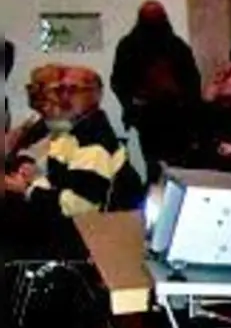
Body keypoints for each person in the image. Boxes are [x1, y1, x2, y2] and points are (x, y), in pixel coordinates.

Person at [3, 67, 135, 218]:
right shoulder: (71, 129)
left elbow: (79, 207)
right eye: (61, 90)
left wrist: (28, 189)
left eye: (73, 90)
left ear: (95, 95)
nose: (64, 97)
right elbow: (57, 180)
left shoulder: (94, 141)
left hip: (93, 232)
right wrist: (35, 178)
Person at [110, 0, 201, 177]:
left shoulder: (177, 47)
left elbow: (192, 81)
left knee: (179, 166)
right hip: (147, 117)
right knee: (153, 165)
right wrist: (133, 102)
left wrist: (186, 104)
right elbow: (118, 80)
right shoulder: (129, 46)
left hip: (177, 116)